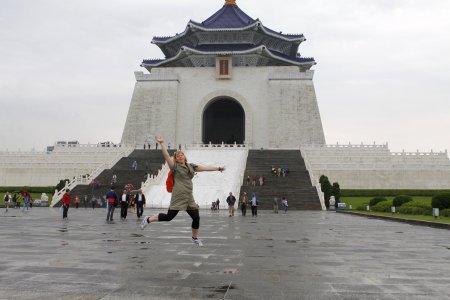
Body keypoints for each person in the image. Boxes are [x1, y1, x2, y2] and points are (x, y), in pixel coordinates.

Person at [141, 136, 225, 247]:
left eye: (181, 155)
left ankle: (194, 238)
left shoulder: (191, 166)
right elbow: (166, 156)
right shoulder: (174, 167)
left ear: (185, 157)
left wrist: (218, 168)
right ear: (175, 159)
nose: (180, 156)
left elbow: (205, 168)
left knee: (196, 217)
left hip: (189, 196)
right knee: (169, 217)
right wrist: (162, 143)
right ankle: (148, 219)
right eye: (177, 156)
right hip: (178, 196)